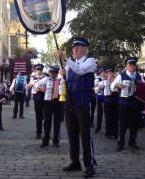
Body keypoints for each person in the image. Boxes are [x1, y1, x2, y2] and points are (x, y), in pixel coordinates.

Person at [57, 37, 97, 177]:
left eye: (79, 47)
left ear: (86, 49)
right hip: (70, 103)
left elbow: (80, 70)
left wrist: (65, 59)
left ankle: (90, 164)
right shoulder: (69, 65)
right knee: (72, 134)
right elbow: (63, 81)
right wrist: (62, 75)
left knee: (85, 135)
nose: (76, 49)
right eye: (74, 47)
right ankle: (75, 162)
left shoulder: (90, 61)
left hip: (83, 103)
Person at [111, 57, 145, 151]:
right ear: (126, 65)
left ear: (136, 66)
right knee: (122, 124)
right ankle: (120, 143)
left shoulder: (139, 76)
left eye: (133, 64)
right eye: (130, 64)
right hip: (124, 103)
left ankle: (132, 142)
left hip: (135, 104)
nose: (132, 66)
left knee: (134, 125)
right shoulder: (121, 75)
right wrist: (117, 85)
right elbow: (112, 86)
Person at [35, 65, 64, 147]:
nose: (52, 74)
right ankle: (45, 140)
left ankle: (56, 140)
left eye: (53, 73)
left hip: (58, 103)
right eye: (51, 73)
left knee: (57, 122)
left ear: (57, 73)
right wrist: (41, 88)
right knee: (47, 122)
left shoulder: (61, 80)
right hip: (47, 102)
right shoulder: (46, 79)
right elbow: (37, 85)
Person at [27, 64, 45, 139]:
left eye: (40, 69)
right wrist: (33, 82)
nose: (39, 71)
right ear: (35, 70)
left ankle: (47, 132)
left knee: (45, 116)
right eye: (38, 69)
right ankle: (38, 132)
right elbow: (28, 86)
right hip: (36, 97)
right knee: (38, 116)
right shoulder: (33, 77)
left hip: (44, 96)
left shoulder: (45, 77)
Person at [102, 67, 119, 139]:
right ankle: (108, 132)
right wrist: (99, 87)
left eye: (111, 73)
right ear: (107, 74)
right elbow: (96, 90)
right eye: (109, 73)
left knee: (115, 117)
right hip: (107, 101)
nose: (110, 74)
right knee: (108, 117)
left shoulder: (117, 81)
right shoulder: (104, 81)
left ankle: (115, 133)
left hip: (115, 100)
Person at [94, 67, 106, 133]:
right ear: (100, 73)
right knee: (100, 113)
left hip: (107, 98)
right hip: (99, 97)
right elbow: (95, 90)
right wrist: (99, 87)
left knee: (107, 113)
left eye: (104, 72)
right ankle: (98, 127)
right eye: (102, 72)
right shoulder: (97, 80)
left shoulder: (108, 79)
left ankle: (107, 128)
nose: (103, 73)